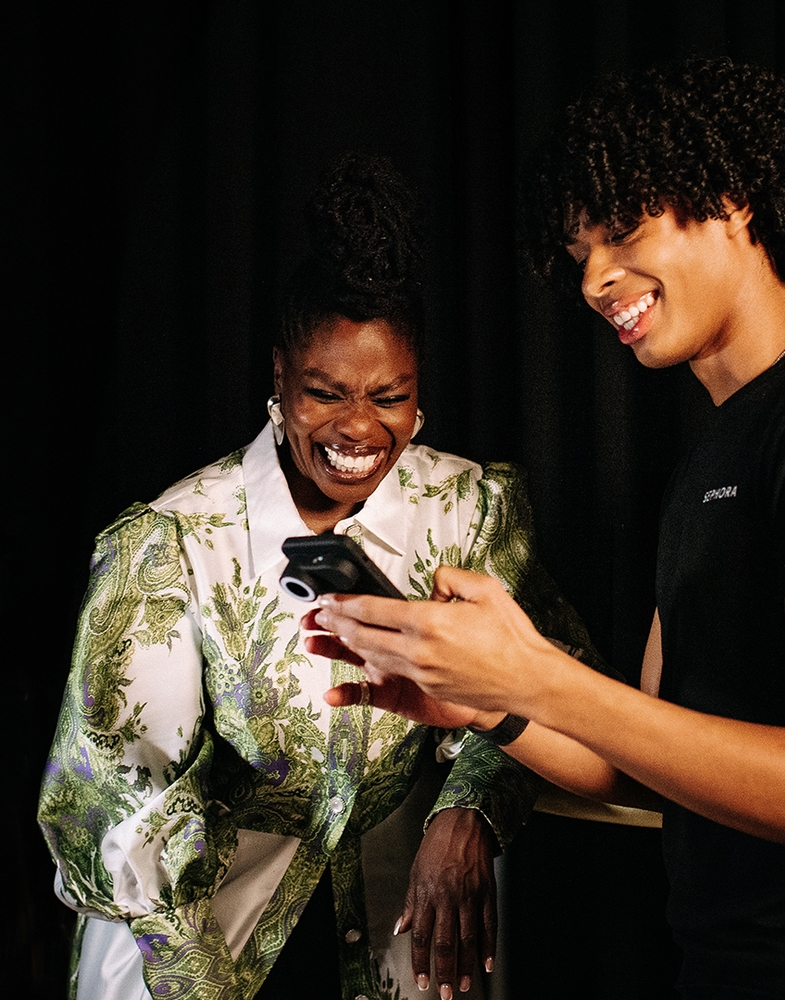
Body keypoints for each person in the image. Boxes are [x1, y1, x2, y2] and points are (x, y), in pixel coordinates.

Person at [308, 59, 785, 998]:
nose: (594, 278)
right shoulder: (712, 463)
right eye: (578, 249)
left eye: (623, 232)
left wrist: (542, 675)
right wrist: (496, 709)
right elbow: (652, 764)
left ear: (736, 201)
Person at [37, 152, 604, 1000]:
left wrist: (467, 812)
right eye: (324, 392)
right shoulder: (174, 543)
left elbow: (562, 685)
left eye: (389, 395)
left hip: (394, 943)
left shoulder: (469, 510)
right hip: (194, 949)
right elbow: (113, 806)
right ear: (277, 380)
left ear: (419, 394)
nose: (358, 428)